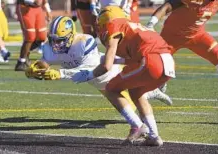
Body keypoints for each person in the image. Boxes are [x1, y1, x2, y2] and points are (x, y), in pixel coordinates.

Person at [25, 16, 174, 146]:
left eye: (60, 40)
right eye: (53, 40)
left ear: (71, 35)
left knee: (124, 93)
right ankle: (146, 106)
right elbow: (46, 61)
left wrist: (60, 73)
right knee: (128, 94)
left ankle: (139, 123)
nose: (56, 45)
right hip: (98, 80)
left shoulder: (84, 42)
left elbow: (88, 70)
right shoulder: (50, 47)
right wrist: (37, 68)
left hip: (107, 72)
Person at [71, 6, 176, 146]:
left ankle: (137, 126)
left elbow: (106, 67)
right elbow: (137, 56)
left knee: (111, 88)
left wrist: (89, 74)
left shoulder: (114, 26)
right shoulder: (133, 26)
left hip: (151, 61)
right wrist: (118, 60)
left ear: (105, 20)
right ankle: (154, 136)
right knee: (136, 91)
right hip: (167, 62)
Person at [146, 0, 218, 72]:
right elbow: (166, 7)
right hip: (171, 37)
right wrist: (151, 24)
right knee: (158, 68)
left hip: (197, 36)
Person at [15, 0, 52, 71]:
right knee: (30, 37)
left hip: (38, 9)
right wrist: (32, 1)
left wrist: (48, 10)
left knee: (42, 37)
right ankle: (21, 62)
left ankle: (26, 54)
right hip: (25, 8)